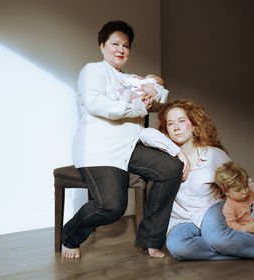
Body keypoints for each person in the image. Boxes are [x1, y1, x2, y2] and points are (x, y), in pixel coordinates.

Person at [61, 20, 187, 259]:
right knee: (112, 206)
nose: (121, 49)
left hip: (131, 146)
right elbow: (98, 104)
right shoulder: (93, 70)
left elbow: (158, 102)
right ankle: (70, 235)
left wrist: (155, 85)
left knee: (171, 168)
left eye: (126, 46)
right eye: (115, 44)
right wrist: (136, 106)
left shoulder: (132, 78)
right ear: (102, 46)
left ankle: (151, 239)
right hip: (100, 149)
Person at [139, 99, 254, 264]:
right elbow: (144, 134)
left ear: (194, 126)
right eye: (170, 124)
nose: (176, 127)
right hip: (180, 220)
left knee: (216, 237)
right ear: (166, 131)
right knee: (178, 249)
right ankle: (251, 245)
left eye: (181, 121)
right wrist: (177, 154)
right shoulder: (163, 158)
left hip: (210, 210)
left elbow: (245, 182)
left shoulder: (212, 155)